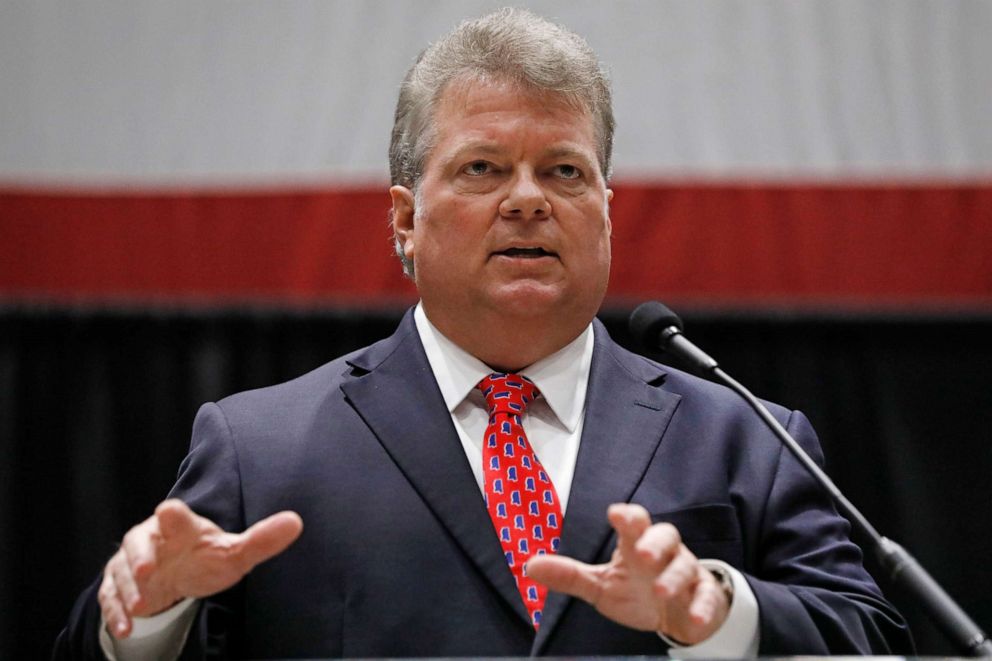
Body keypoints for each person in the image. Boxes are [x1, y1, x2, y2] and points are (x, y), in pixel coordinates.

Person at [56, 8, 912, 659]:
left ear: (607, 211)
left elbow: (872, 632)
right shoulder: (262, 447)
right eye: (484, 168)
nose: (529, 198)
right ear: (404, 219)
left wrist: (723, 613)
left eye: (565, 170)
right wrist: (148, 621)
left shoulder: (747, 438)